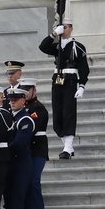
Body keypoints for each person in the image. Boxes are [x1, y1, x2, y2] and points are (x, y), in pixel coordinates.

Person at [38, 18, 89, 159]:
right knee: (57, 116)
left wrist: (82, 86)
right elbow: (42, 47)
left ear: (71, 28)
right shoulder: (57, 45)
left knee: (68, 112)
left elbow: (84, 68)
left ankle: (67, 147)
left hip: (71, 81)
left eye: (65, 27)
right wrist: (53, 34)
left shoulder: (78, 46)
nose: (63, 30)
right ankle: (68, 146)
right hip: (57, 81)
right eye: (61, 27)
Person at [19, 79, 49, 209]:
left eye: (27, 90)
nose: (25, 93)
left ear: (34, 90)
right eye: (22, 90)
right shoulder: (21, 108)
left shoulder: (38, 108)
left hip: (37, 150)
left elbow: (31, 128)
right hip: (25, 151)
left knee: (33, 181)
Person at [5, 87, 34, 209]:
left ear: (24, 100)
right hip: (10, 165)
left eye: (16, 100)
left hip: (20, 165)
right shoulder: (10, 118)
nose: (13, 102)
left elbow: (18, 144)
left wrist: (2, 149)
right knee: (9, 200)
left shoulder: (25, 119)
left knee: (16, 200)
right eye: (11, 100)